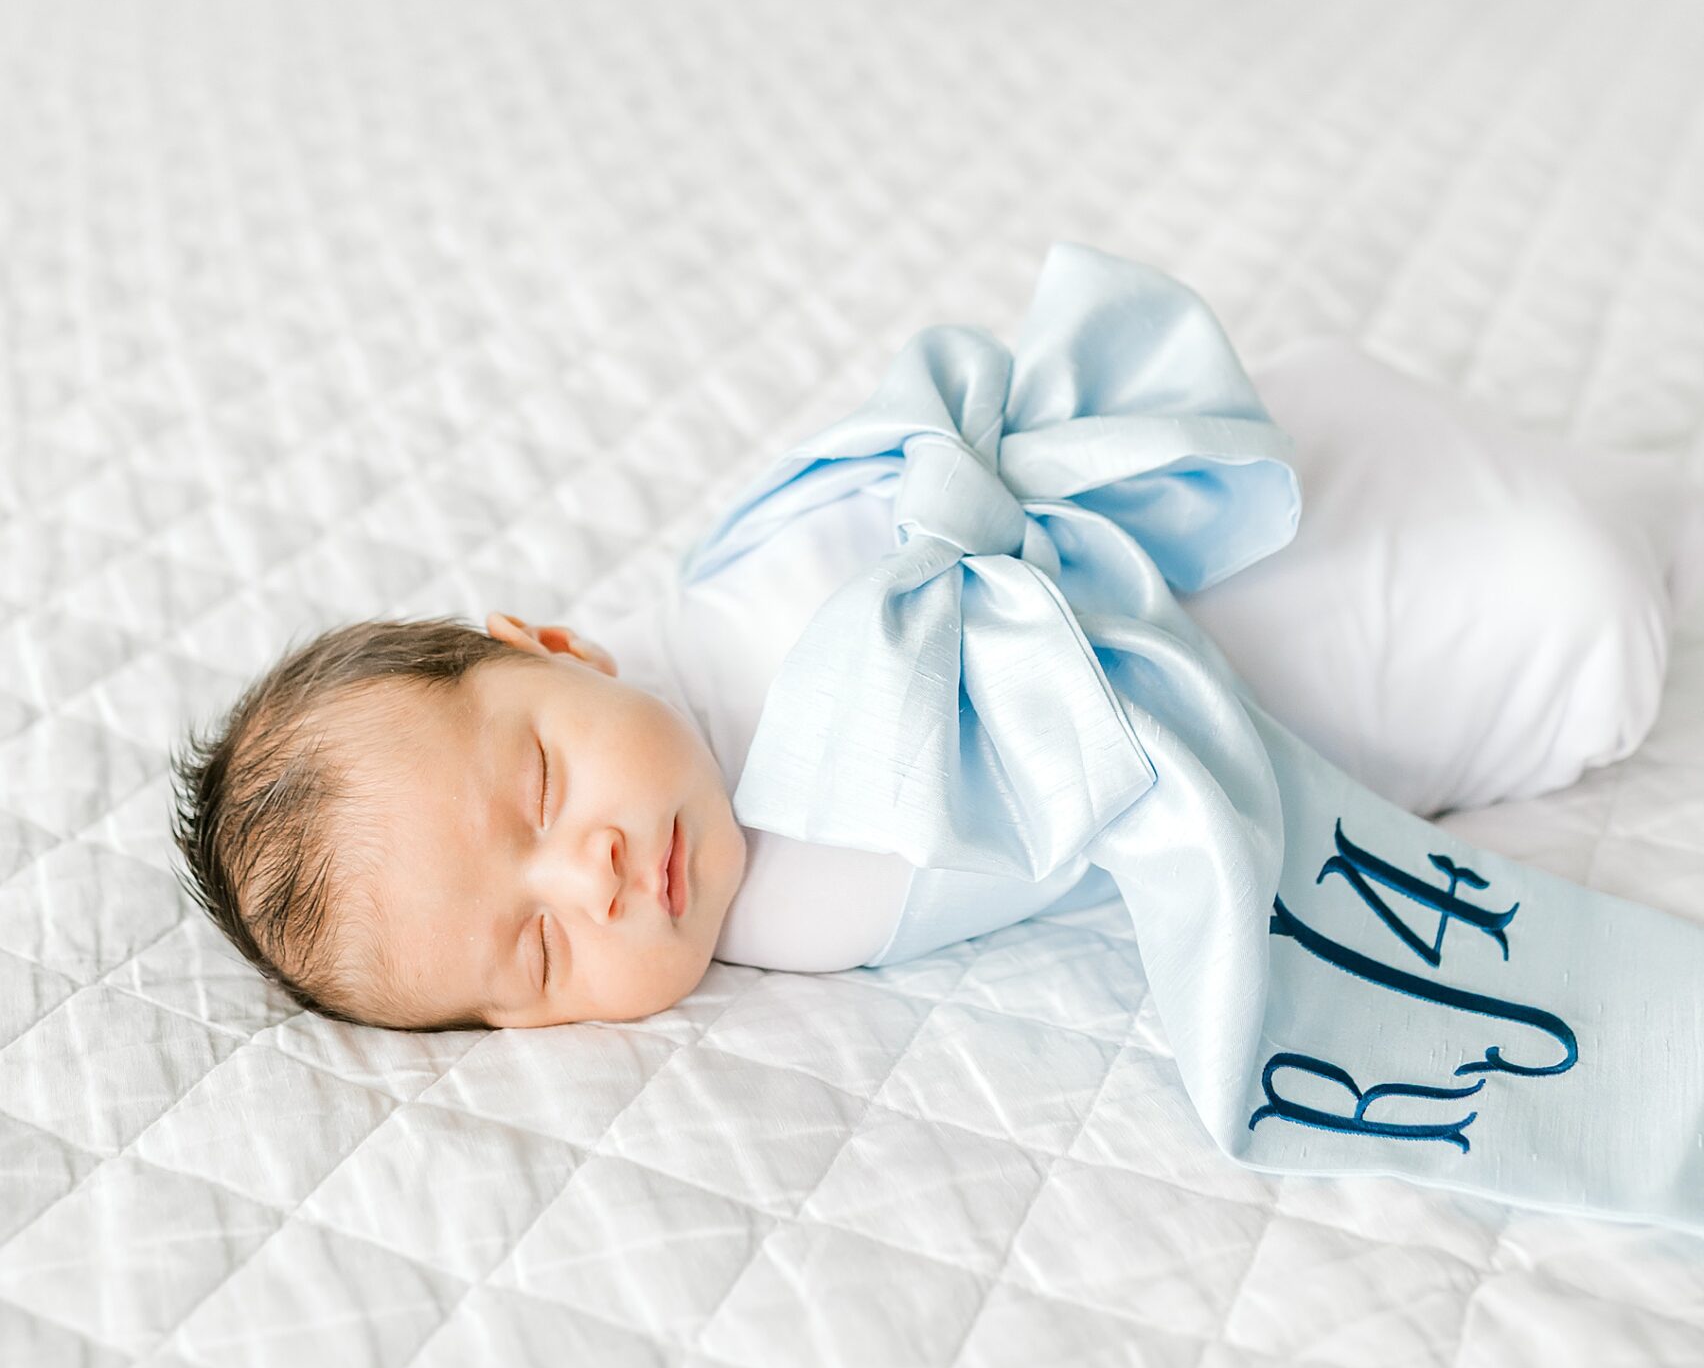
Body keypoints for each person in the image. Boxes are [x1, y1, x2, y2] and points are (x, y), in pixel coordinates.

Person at [170, 329, 1701, 1035]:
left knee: (1496, 518)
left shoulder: (725, 584)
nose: (602, 874)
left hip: (1245, 504)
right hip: (1351, 683)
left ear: (556, 649)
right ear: (518, 1034)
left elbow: (937, 446)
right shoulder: (786, 920)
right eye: (541, 953)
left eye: (544, 791)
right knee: (1582, 604)